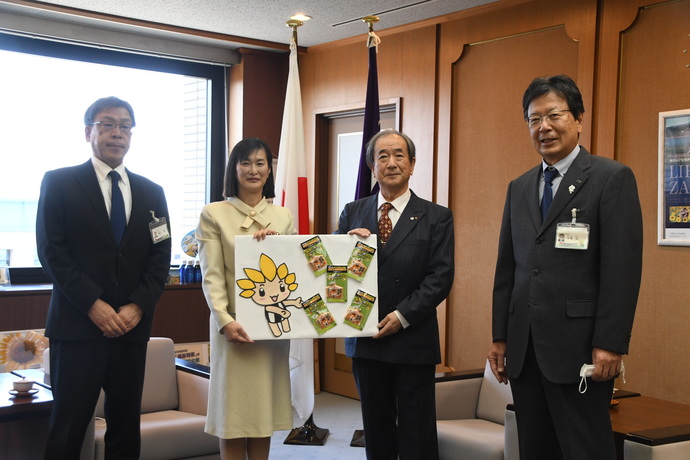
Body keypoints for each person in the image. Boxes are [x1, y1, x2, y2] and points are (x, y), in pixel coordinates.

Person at [489, 75, 643, 459]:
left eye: (553, 115)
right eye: (533, 119)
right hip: (524, 350)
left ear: (577, 118)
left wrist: (610, 342)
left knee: (585, 449)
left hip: (580, 351)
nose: (544, 127)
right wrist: (499, 336)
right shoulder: (519, 187)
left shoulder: (611, 178)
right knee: (535, 450)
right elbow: (508, 268)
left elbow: (621, 269)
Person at [36, 96, 172, 459]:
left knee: (126, 426)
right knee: (69, 426)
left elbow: (160, 260)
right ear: (88, 131)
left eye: (125, 126)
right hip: (77, 328)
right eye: (108, 124)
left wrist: (138, 308)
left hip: (131, 329)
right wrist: (93, 305)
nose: (118, 133)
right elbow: (52, 253)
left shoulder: (152, 192)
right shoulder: (60, 182)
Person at [337, 129, 455, 460]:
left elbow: (441, 276)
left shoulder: (437, 216)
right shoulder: (352, 212)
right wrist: (346, 246)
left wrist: (402, 316)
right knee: (377, 430)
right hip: (366, 338)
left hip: (413, 338)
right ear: (372, 166)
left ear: (413, 164)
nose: (391, 163)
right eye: (383, 156)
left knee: (418, 432)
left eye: (399, 155)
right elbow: (331, 271)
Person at [196, 138, 296, 460]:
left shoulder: (283, 216)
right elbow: (211, 276)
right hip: (233, 329)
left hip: (271, 329)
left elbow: (298, 271)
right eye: (246, 163)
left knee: (262, 412)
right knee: (233, 416)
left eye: (261, 163)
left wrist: (280, 247)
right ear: (234, 168)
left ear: (269, 170)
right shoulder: (214, 213)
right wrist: (225, 321)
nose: (254, 170)